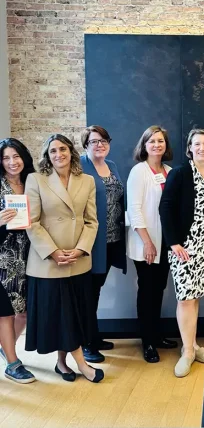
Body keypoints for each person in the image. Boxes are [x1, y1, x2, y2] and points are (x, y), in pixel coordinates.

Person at [25, 134, 103, 383]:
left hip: (78, 259)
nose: (58, 154)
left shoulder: (87, 180)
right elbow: (32, 222)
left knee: (73, 315)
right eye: (53, 151)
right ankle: (82, 365)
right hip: (48, 261)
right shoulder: (35, 179)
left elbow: (92, 221)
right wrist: (53, 252)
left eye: (62, 149)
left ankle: (61, 363)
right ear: (47, 156)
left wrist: (81, 249)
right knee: (62, 315)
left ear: (71, 151)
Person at [159, 129, 204, 377]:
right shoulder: (181, 173)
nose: (202, 147)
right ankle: (187, 352)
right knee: (185, 297)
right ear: (189, 148)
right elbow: (165, 206)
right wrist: (173, 243)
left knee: (195, 296)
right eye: (197, 144)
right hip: (184, 246)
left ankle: (193, 344)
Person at [127, 125, 177, 363]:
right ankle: (147, 342)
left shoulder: (169, 170)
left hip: (165, 244)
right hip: (147, 244)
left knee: (158, 291)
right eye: (152, 141)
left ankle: (156, 336)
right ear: (144, 145)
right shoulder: (139, 171)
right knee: (147, 292)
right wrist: (147, 242)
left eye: (161, 141)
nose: (157, 145)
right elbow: (134, 209)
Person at [80, 125, 126, 364]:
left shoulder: (113, 166)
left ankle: (93, 336)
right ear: (85, 144)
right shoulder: (79, 166)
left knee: (96, 291)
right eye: (94, 141)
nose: (100, 145)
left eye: (104, 140)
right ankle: (86, 342)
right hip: (90, 242)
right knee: (87, 293)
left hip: (111, 240)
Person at [0, 138, 36, 383]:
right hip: (3, 258)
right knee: (5, 313)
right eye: (6, 158)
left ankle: (6, 346)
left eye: (16, 156)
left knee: (24, 311)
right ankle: (13, 363)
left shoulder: (33, 182)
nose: (12, 162)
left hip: (30, 256)